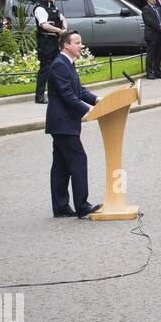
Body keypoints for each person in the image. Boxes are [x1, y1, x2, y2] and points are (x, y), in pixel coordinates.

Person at [45, 30, 101, 219]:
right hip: (62, 124)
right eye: (77, 42)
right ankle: (82, 205)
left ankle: (61, 206)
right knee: (78, 160)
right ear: (66, 45)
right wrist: (88, 110)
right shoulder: (60, 65)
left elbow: (79, 90)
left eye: (80, 42)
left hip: (64, 124)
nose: (80, 45)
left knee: (61, 165)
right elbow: (67, 95)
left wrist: (97, 100)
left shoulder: (67, 63)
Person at [32, 0, 68, 105]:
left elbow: (63, 19)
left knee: (58, 67)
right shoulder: (40, 9)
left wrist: (63, 28)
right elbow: (44, 25)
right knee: (45, 68)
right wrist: (59, 30)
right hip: (46, 40)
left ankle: (57, 93)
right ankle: (39, 96)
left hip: (55, 40)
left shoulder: (54, 8)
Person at [140, 0, 161, 79]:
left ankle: (157, 72)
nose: (153, 0)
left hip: (160, 34)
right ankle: (149, 73)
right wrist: (159, 27)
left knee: (159, 54)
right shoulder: (146, 9)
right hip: (151, 35)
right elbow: (149, 21)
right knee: (151, 54)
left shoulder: (157, 8)